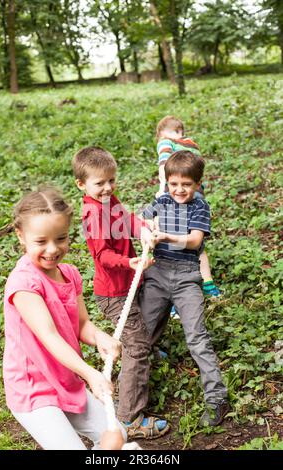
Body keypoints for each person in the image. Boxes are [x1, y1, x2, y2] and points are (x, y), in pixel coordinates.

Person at [3, 186, 126, 450]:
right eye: (41, 241)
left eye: (61, 238)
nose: (52, 249)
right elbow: (49, 336)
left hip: (65, 379)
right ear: (21, 236)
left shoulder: (69, 273)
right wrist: (90, 374)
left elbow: (82, 324)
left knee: (117, 434)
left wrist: (100, 337)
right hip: (33, 388)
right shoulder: (24, 283)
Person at [72, 146, 170, 439]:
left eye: (111, 180)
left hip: (131, 279)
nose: (107, 188)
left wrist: (141, 228)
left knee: (160, 299)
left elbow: (125, 217)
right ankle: (129, 417)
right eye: (99, 183)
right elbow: (102, 256)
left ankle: (145, 344)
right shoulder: (92, 215)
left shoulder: (108, 201)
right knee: (135, 347)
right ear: (82, 185)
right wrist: (129, 261)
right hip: (114, 293)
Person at [140, 151, 230, 427]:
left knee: (197, 338)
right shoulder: (161, 200)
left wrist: (166, 236)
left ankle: (217, 397)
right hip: (157, 272)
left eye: (186, 185)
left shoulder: (199, 206)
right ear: (166, 182)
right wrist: (147, 229)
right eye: (173, 184)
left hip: (186, 276)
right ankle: (132, 397)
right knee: (141, 333)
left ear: (198, 183)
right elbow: (142, 220)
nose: (179, 190)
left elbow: (194, 241)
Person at [156, 115, 221, 299]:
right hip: (195, 194)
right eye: (176, 131)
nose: (178, 135)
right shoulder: (191, 146)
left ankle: (178, 294)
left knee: (178, 248)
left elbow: (163, 164)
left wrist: (163, 188)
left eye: (179, 132)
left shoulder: (165, 143)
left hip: (177, 200)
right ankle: (208, 285)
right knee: (198, 245)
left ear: (160, 134)